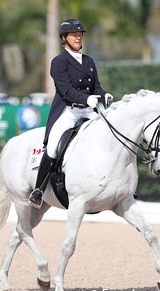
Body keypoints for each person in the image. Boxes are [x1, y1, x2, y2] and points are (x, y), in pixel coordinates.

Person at [28, 18, 113, 208]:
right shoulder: (58, 62)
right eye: (74, 35)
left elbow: (95, 86)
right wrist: (85, 99)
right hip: (68, 111)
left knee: (111, 136)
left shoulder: (89, 61)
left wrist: (104, 94)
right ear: (64, 38)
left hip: (89, 111)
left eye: (80, 34)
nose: (78, 37)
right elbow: (65, 90)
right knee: (52, 147)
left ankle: (117, 184)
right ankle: (38, 190)